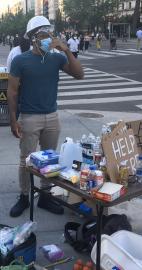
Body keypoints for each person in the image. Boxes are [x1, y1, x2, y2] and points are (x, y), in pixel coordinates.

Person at [7, 15, 84, 218]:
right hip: (29, 117)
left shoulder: (57, 57)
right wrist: (13, 120)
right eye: (43, 34)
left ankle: (45, 195)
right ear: (33, 38)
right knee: (27, 160)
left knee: (50, 159)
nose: (49, 37)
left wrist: (66, 49)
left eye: (50, 33)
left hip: (51, 116)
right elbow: (12, 91)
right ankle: (24, 195)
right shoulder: (20, 60)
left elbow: (79, 74)